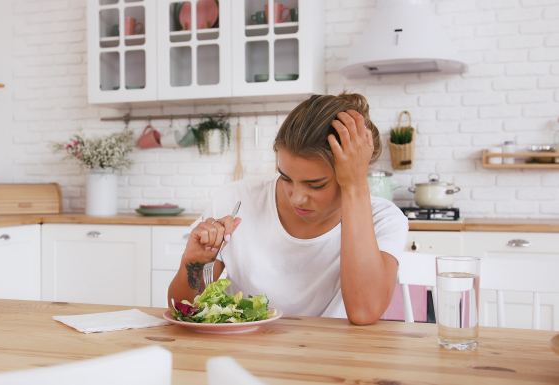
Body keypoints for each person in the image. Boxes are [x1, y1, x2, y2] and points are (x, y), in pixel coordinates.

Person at [167, 93, 408, 325]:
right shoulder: (236, 200)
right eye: (285, 177)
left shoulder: (383, 219)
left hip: (334, 358)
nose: (298, 198)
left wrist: (355, 187)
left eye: (316, 185)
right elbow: (183, 307)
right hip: (243, 354)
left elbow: (364, 312)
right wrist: (193, 263)